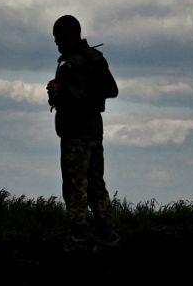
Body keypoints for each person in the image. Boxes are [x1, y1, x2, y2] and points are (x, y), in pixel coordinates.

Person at [46, 14, 120, 249]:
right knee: (96, 185)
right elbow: (111, 90)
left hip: (75, 133)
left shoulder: (73, 64)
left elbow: (78, 97)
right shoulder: (95, 59)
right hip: (93, 133)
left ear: (68, 35)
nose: (56, 43)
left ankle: (79, 238)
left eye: (58, 38)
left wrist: (61, 89)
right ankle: (108, 236)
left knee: (75, 187)